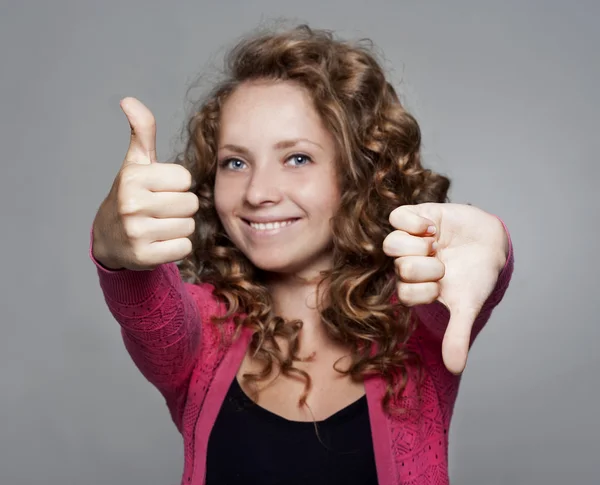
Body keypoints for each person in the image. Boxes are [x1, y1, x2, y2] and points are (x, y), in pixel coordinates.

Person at [90, 24, 514, 485]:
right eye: (235, 162)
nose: (257, 192)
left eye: (296, 158)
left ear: (357, 172)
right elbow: (148, 304)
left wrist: (495, 245)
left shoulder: (413, 320)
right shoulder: (202, 336)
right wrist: (113, 247)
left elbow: (456, 284)